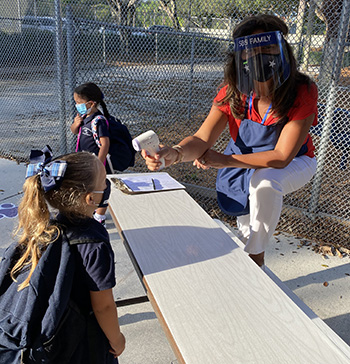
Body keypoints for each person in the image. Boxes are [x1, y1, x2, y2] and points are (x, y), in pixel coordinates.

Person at [142, 14, 318, 269]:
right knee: (247, 226)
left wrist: (224, 161)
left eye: (267, 47)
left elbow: (281, 157)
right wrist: (176, 153)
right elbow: (203, 138)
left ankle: (255, 260)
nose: (259, 55)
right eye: (250, 49)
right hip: (243, 161)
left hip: (295, 161)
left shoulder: (302, 90)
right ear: (239, 56)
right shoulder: (233, 91)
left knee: (265, 183)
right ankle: (252, 264)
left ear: (282, 50)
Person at [13, 148, 125, 362]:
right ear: (91, 198)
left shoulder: (46, 229)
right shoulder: (94, 244)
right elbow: (104, 306)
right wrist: (117, 338)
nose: (106, 183)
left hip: (53, 336)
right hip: (84, 342)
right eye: (103, 179)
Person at [71, 82, 111, 227]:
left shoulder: (98, 121)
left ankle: (100, 216)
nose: (77, 105)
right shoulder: (83, 116)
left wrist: (99, 165)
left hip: (96, 163)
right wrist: (76, 123)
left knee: (101, 187)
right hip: (85, 163)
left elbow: (105, 144)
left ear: (91, 103)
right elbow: (74, 131)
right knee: (86, 187)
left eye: (79, 102)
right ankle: (88, 211)